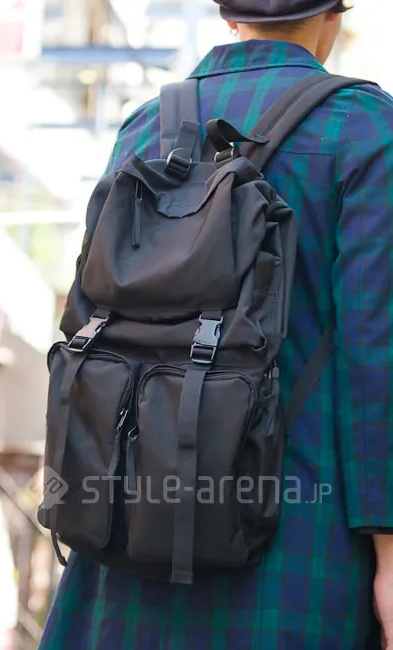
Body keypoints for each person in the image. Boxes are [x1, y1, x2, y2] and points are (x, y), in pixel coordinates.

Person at [38, 1, 393, 648]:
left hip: (128, 532)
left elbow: (93, 318)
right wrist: (389, 551)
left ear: (229, 17)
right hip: (294, 541)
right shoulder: (367, 130)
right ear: (331, 18)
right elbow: (378, 354)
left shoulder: (145, 126)